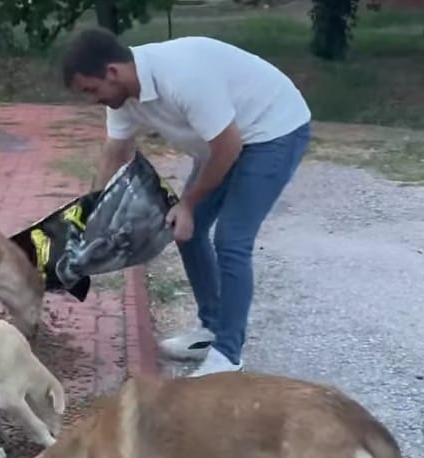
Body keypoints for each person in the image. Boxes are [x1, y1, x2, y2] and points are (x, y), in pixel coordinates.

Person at [61, 27, 312, 376]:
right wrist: (87, 215)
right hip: (223, 143)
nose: (92, 100)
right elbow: (115, 152)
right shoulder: (123, 98)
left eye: (91, 90)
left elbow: (229, 147)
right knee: (184, 231)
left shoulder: (182, 76)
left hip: (272, 131)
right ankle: (211, 329)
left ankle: (228, 355)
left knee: (231, 239)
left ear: (112, 72)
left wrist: (189, 204)